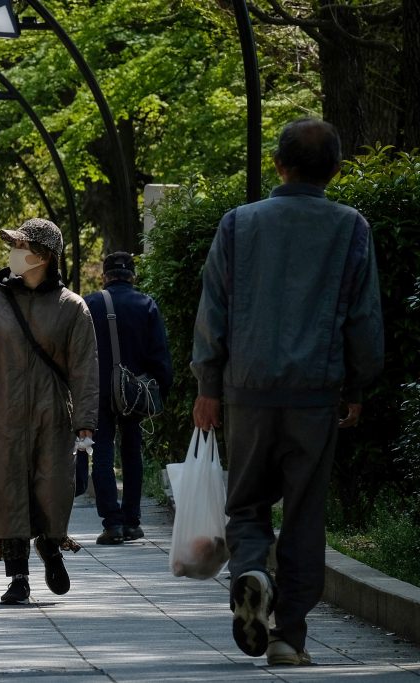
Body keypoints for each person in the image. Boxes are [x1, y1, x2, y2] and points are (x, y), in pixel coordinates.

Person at [191, 118, 384, 666]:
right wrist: (357, 384)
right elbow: (363, 318)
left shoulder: (238, 224)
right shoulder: (351, 227)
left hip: (246, 390)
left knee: (245, 501)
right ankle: (288, 636)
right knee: (304, 512)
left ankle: (251, 570)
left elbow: (213, 313)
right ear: (336, 170)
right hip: (316, 392)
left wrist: (208, 384)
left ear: (279, 164)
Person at [0, 218, 99, 605]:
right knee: (8, 490)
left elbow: (85, 369)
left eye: (22, 246)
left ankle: (51, 547)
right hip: (1, 413)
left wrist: (85, 422)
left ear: (45, 256)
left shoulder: (73, 308)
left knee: (53, 488)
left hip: (54, 413)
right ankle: (17, 576)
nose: (15, 253)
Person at [83, 252, 173, 545]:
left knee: (103, 452)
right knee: (132, 452)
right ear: (133, 275)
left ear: (105, 275)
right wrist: (161, 392)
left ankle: (112, 523)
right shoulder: (146, 304)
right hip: (134, 393)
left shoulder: (91, 304)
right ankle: (132, 520)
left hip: (100, 390)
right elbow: (159, 355)